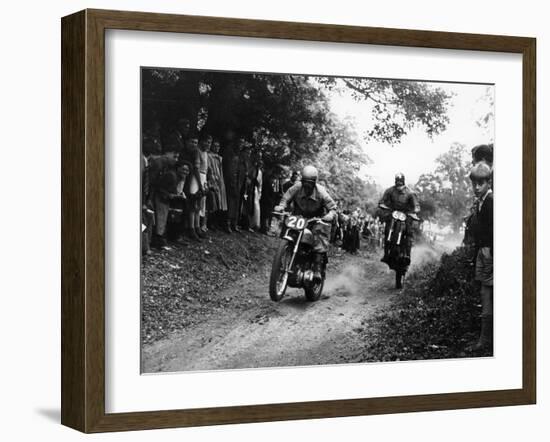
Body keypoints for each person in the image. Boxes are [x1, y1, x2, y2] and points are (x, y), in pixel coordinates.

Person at [274, 165, 337, 282]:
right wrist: (281, 206)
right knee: (287, 228)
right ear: (301, 180)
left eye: (310, 183)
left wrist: (329, 215)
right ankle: (283, 255)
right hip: (298, 218)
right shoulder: (297, 187)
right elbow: (286, 198)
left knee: (320, 233)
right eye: (305, 182)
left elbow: (333, 208)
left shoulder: (321, 192)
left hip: (315, 220)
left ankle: (317, 268)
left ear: (314, 182)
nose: (307, 186)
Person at [468, 161, 494, 352]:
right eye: (474, 183)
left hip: (489, 252)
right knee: (483, 292)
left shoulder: (491, 202)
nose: (477, 187)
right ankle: (485, 337)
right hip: (481, 252)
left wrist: (492, 251)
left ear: (489, 182)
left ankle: (485, 340)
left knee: (487, 293)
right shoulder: (480, 202)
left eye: (481, 183)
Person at [379, 172, 420, 263]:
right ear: (395, 182)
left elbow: (416, 205)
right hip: (393, 213)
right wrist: (384, 206)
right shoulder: (390, 190)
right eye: (397, 183)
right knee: (387, 230)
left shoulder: (410, 193)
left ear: (403, 182)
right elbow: (382, 201)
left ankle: (408, 255)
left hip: (406, 215)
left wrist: (414, 211)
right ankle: (386, 254)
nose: (399, 186)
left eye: (401, 183)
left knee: (409, 232)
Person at [206, 139, 228, 231]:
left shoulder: (219, 158)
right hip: (212, 179)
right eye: (214, 146)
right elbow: (210, 169)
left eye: (218, 146)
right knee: (213, 201)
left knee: (220, 202)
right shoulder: (209, 156)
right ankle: (209, 223)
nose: (216, 148)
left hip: (219, 180)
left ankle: (215, 222)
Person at [259, 165, 284, 235]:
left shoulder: (277, 180)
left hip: (272, 200)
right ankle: (264, 228)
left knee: (269, 214)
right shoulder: (268, 178)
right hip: (267, 199)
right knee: (265, 214)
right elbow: (266, 190)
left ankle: (267, 227)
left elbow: (277, 191)